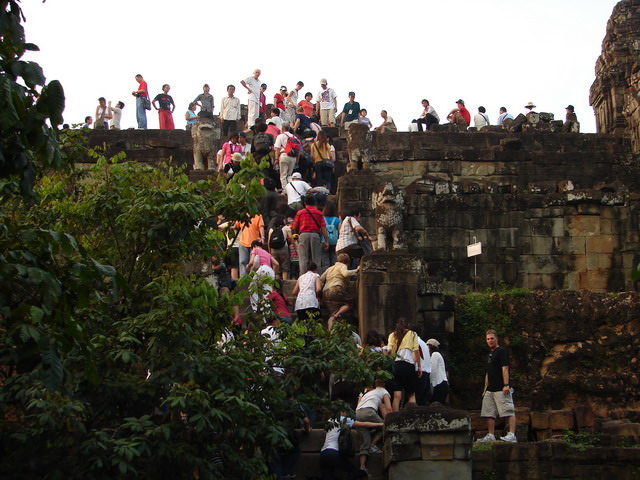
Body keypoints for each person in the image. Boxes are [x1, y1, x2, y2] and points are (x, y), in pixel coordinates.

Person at [477, 329, 517, 443]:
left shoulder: (501, 351)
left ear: (496, 339)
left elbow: (505, 368)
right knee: (489, 412)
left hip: (501, 387)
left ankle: (512, 434)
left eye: (492, 338)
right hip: (490, 388)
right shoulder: (490, 354)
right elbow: (488, 372)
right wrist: (485, 388)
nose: (490, 341)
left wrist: (506, 384)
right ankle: (491, 434)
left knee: (508, 410)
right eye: (488, 339)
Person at [320, 414, 380, 480]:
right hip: (333, 452)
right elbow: (363, 424)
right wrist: (380, 424)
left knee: (328, 476)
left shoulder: (329, 420)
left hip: (323, 453)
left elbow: (326, 432)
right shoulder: (343, 419)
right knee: (354, 470)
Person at [355, 379, 391, 472]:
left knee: (365, 439)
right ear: (384, 385)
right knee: (385, 426)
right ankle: (373, 445)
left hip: (357, 414)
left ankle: (362, 466)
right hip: (369, 412)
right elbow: (388, 408)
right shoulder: (383, 391)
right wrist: (391, 419)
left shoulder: (369, 393)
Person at [385, 317, 421, 411]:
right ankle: (412, 416)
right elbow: (416, 351)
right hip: (408, 365)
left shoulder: (392, 335)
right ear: (407, 326)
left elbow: (388, 351)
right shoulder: (413, 334)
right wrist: (419, 367)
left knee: (397, 395)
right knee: (411, 394)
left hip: (396, 366)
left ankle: (394, 419)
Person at [320, 253, 359, 329]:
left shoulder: (330, 268)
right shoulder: (342, 266)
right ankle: (338, 314)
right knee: (351, 302)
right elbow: (345, 274)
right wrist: (356, 270)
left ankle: (330, 333)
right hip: (336, 290)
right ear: (347, 262)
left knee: (331, 315)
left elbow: (321, 279)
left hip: (326, 293)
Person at [292, 195, 329, 274]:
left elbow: (294, 227)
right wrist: (326, 241)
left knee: (303, 259)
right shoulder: (319, 213)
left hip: (303, 235)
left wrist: (296, 238)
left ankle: (303, 277)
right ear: (314, 202)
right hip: (315, 235)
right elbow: (323, 228)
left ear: (305, 203)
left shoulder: (300, 213)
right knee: (316, 259)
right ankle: (317, 277)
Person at [268, 215, 291, 280]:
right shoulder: (286, 228)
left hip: (273, 250)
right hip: (283, 249)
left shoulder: (271, 229)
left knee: (276, 267)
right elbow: (291, 238)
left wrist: (270, 252)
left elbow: (269, 241)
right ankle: (285, 281)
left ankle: (277, 282)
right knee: (285, 267)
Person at [427, 338, 449, 404]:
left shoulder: (435, 355)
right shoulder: (436, 355)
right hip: (440, 384)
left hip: (439, 384)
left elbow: (433, 370)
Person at [322, 202, 340, 271]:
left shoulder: (322, 219)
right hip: (334, 242)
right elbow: (339, 231)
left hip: (324, 241)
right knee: (334, 259)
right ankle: (334, 273)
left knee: (325, 259)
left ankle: (326, 274)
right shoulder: (337, 219)